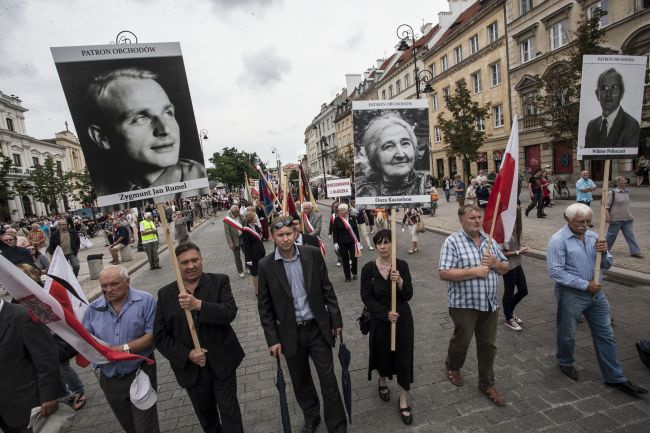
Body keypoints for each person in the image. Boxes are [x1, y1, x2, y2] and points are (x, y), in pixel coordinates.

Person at [257, 216, 347, 433]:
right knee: (301, 381)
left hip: (317, 329)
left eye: (289, 234)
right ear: (272, 237)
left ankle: (337, 425)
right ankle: (311, 416)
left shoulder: (312, 254)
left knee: (328, 380)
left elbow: (327, 289)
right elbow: (265, 307)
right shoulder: (266, 266)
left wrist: (336, 319)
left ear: (295, 233)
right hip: (290, 334)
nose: (286, 239)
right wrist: (272, 339)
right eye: (280, 235)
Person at [546, 203, 647, 396]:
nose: (585, 225)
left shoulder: (594, 236)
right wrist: (585, 285)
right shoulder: (558, 240)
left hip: (597, 295)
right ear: (569, 220)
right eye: (580, 221)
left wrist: (604, 251)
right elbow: (556, 272)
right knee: (567, 333)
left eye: (588, 221)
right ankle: (565, 361)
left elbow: (607, 264)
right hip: (572, 295)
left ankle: (615, 377)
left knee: (605, 334)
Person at [154, 242, 245, 433]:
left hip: (222, 362)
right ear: (177, 266)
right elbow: (161, 337)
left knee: (230, 415)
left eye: (195, 260)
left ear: (202, 260)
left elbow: (229, 312)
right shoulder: (165, 295)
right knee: (207, 419)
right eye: (184, 262)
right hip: (193, 370)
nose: (191, 266)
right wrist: (187, 354)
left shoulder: (220, 281)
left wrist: (198, 305)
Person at [85, 67, 207, 197]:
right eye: (141, 118)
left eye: (168, 113)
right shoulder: (98, 192)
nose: (165, 129)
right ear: (102, 138)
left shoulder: (201, 177)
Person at [438, 205, 509, 407]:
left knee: (488, 345)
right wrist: (476, 271)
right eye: (472, 217)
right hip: (464, 305)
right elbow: (444, 273)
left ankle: (486, 383)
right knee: (462, 340)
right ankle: (453, 366)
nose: (477, 221)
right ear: (461, 220)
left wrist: (495, 263)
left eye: (479, 217)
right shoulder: (452, 242)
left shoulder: (490, 240)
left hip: (489, 303)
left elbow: (504, 268)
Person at [83, 265, 160, 433]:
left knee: (145, 427)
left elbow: (151, 336)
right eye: (104, 286)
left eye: (114, 284)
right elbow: (86, 340)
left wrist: (121, 349)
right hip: (110, 379)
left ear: (128, 281)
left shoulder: (145, 301)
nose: (108, 290)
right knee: (129, 426)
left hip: (140, 373)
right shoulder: (93, 309)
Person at [360, 229, 414, 425]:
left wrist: (399, 280)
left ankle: (403, 399)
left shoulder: (402, 265)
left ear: (393, 244)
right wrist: (384, 314)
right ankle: (382, 380)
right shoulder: (368, 269)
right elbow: (366, 296)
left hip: (402, 319)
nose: (382, 247)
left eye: (386, 242)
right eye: (379, 243)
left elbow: (408, 295)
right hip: (380, 319)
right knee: (382, 353)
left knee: (403, 357)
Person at [0, 299, 63, 433]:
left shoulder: (23, 315)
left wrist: (49, 396)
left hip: (30, 408)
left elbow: (46, 359)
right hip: (5, 412)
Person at [355, 111, 428, 197]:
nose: (401, 154)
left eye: (405, 143)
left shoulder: (426, 185)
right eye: (389, 146)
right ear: (374, 157)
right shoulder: (362, 192)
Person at [584, 68, 640, 149]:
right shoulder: (591, 126)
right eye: (604, 88)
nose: (609, 94)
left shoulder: (631, 125)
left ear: (622, 93)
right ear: (597, 94)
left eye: (614, 88)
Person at [499, 202, 529, 331]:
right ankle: (508, 317)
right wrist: (518, 252)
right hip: (508, 265)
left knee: (523, 290)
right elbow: (501, 253)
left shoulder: (515, 228)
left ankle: (509, 311)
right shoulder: (503, 230)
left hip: (517, 262)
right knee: (509, 291)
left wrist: (519, 249)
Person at [606, 176, 643, 258]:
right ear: (617, 182)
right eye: (622, 180)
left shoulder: (626, 191)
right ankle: (605, 250)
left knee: (630, 235)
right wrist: (607, 216)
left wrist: (631, 215)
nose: (624, 181)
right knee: (611, 236)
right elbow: (606, 206)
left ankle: (635, 251)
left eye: (625, 180)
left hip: (627, 218)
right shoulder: (612, 193)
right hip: (616, 219)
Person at [331, 203, 361, 282]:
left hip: (352, 242)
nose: (340, 212)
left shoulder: (353, 218)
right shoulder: (337, 219)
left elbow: (356, 231)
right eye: (339, 211)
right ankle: (347, 276)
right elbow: (335, 232)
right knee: (345, 260)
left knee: (354, 258)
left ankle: (354, 273)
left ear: (347, 211)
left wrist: (358, 242)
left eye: (341, 211)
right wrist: (335, 243)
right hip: (342, 242)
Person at [241, 211, 266, 295]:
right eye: (255, 217)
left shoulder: (256, 226)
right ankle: (257, 290)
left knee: (262, 272)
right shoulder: (245, 230)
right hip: (253, 256)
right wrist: (248, 260)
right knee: (255, 274)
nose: (256, 218)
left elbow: (260, 240)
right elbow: (246, 247)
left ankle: (263, 288)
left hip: (261, 253)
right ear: (251, 218)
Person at [224, 205, 245, 278]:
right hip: (234, 240)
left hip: (243, 237)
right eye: (237, 212)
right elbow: (227, 233)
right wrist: (230, 243)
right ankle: (240, 271)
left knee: (247, 253)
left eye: (239, 211)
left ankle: (248, 267)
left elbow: (245, 226)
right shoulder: (227, 220)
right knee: (237, 257)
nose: (239, 212)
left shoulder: (241, 216)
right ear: (233, 212)